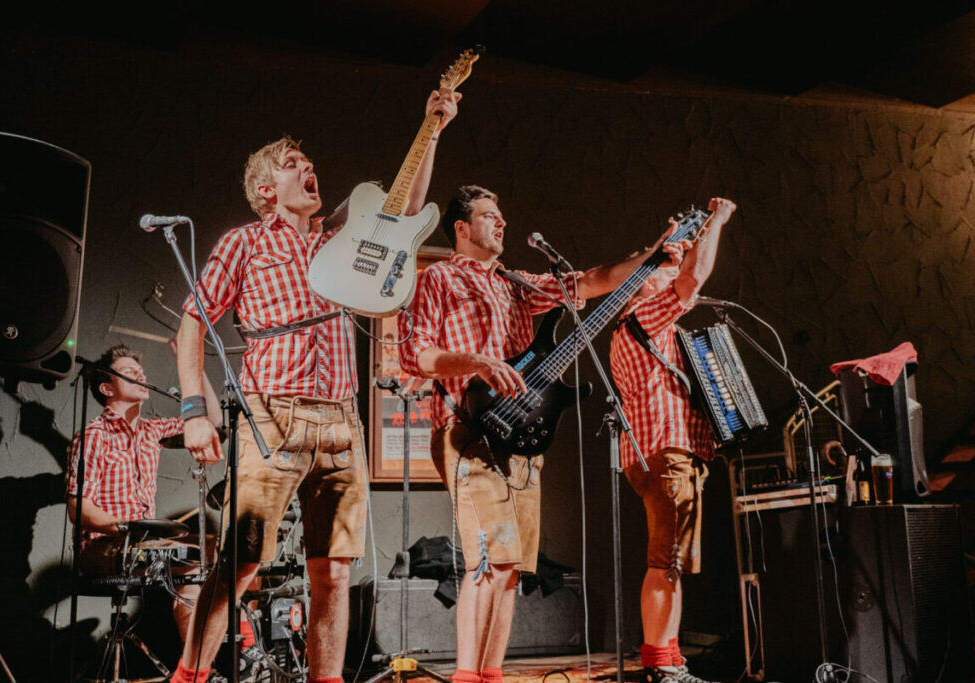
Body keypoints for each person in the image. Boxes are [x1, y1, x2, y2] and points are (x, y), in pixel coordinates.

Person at [171, 89, 460, 683]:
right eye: (292, 165)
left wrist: (431, 128)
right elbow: (191, 325)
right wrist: (194, 409)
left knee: (333, 570)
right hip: (272, 418)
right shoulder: (244, 242)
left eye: (310, 163)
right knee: (242, 561)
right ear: (264, 191)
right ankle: (189, 677)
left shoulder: (340, 241)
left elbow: (406, 211)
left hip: (341, 422)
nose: (308, 168)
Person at [398, 185, 687, 683]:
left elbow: (594, 280)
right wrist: (477, 363)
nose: (502, 222)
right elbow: (415, 354)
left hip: (522, 436)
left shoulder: (516, 282)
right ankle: (468, 676)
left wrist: (652, 254)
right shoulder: (438, 278)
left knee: (510, 570)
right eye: (489, 216)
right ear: (462, 229)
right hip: (469, 432)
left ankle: (490, 675)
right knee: (487, 563)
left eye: (502, 214)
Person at [608, 197, 736, 683]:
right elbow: (690, 281)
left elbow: (683, 275)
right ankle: (659, 665)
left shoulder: (645, 330)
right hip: (664, 453)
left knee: (672, 563)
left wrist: (674, 244)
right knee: (664, 562)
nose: (672, 278)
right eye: (662, 275)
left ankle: (670, 660)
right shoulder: (639, 320)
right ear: (643, 289)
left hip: (663, 454)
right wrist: (716, 221)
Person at [66, 343, 222, 644]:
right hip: (104, 549)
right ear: (107, 388)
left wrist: (195, 365)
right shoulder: (93, 436)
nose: (140, 374)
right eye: (129, 372)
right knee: (189, 558)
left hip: (145, 546)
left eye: (140, 371)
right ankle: (198, 670)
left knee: (226, 551)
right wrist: (130, 529)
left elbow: (211, 422)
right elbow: (78, 509)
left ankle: (221, 664)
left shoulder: (152, 432)